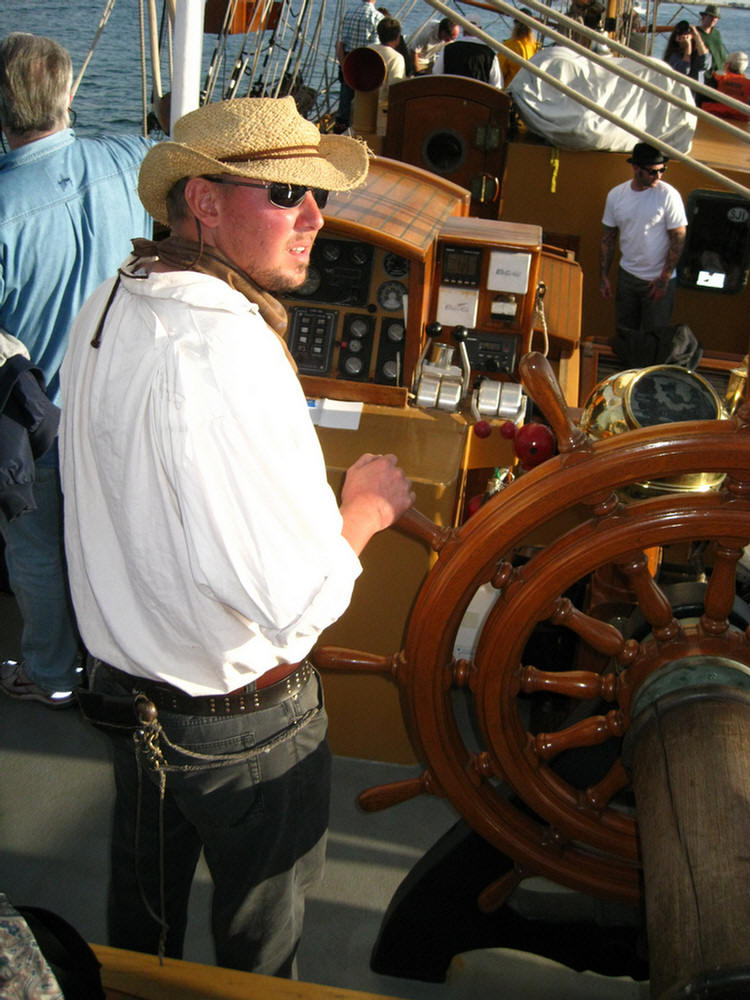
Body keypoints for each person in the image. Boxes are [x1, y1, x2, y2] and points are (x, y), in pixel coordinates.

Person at [59, 96, 414, 976]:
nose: (314, 217)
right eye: (284, 191)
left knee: (141, 928)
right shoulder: (228, 352)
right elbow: (293, 604)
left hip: (134, 699)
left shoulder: (112, 296)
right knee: (260, 951)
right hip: (243, 728)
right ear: (204, 204)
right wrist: (364, 510)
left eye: (315, 194)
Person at [0, 32, 154, 708]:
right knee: (113, 542)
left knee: (36, 550)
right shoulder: (129, 159)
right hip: (122, 409)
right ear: (69, 95)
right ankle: (118, 665)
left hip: (40, 421)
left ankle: (49, 672)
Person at [600, 142, 688, 338]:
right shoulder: (616, 196)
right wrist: (604, 276)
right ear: (635, 168)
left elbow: (678, 237)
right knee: (625, 333)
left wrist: (664, 279)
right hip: (628, 277)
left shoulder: (668, 196)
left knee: (655, 338)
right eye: (652, 172)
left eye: (662, 170)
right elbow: (608, 238)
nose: (658, 176)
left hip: (657, 278)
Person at [335, 0, 383, 130]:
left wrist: (343, 65)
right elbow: (375, 48)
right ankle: (358, 130)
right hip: (366, 61)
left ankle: (341, 128)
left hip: (348, 60)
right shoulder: (377, 17)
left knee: (345, 101)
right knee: (363, 105)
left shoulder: (349, 13)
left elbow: (340, 44)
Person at [432, 20, 504, 88]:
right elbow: (497, 84)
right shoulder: (490, 54)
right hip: (477, 98)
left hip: (452, 96)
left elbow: (436, 73)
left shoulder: (448, 49)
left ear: (463, 30)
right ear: (480, 30)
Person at [369, 17, 406, 135]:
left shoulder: (368, 49)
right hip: (381, 116)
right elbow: (395, 89)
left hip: (361, 109)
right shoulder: (396, 58)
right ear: (397, 37)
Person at [499, 10, 541, 88]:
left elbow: (499, 73)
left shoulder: (508, 46)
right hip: (529, 94)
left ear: (515, 25)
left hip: (510, 92)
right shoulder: (537, 47)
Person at [702, 50, 750, 118]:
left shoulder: (717, 77)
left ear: (727, 65)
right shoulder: (748, 82)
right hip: (740, 117)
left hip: (714, 114)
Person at [696, 3, 727, 91]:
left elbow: (720, 53)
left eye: (716, 17)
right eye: (711, 16)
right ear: (704, 16)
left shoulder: (716, 33)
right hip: (705, 76)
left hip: (719, 74)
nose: (714, 19)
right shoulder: (697, 33)